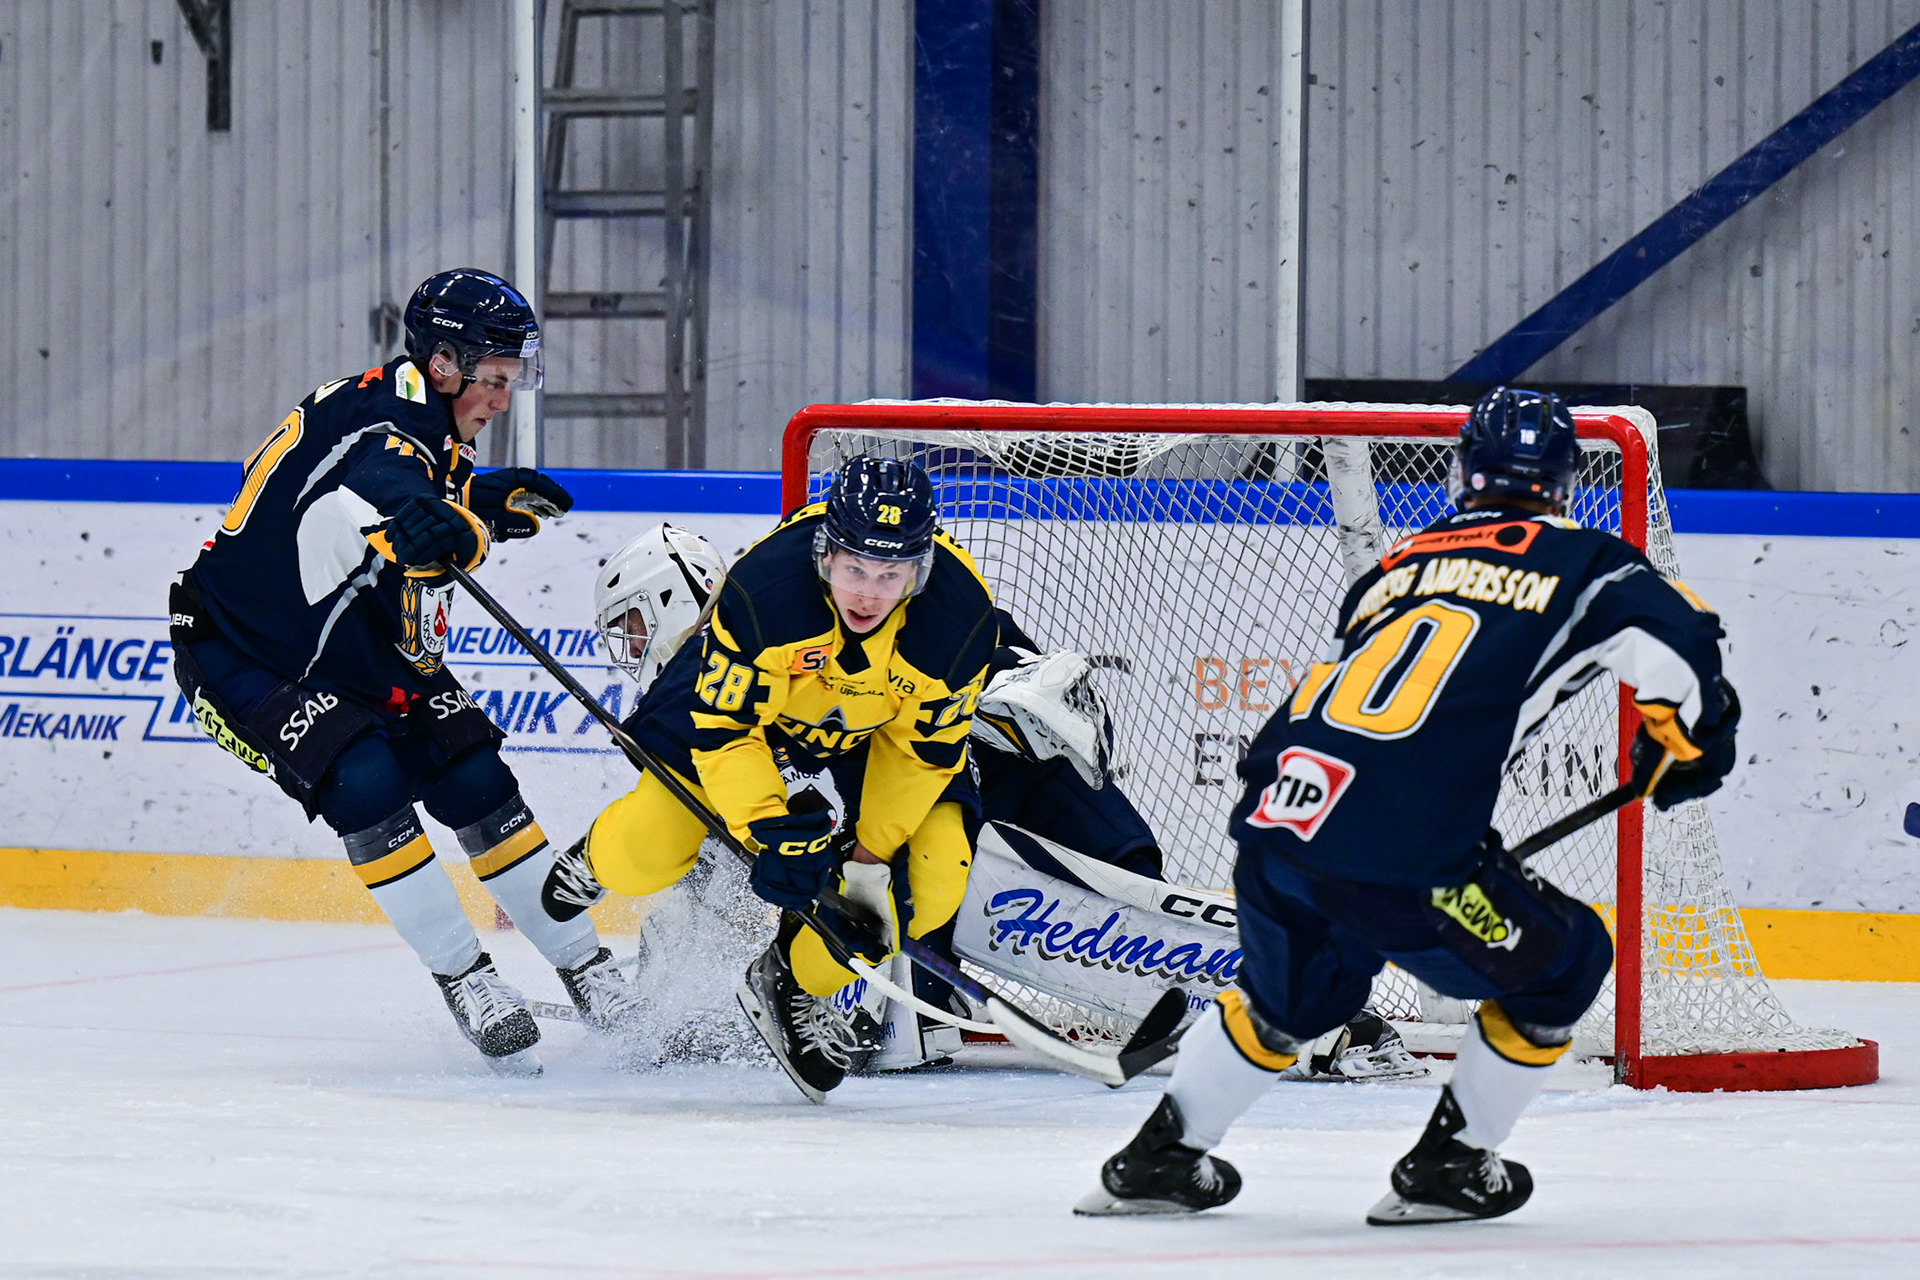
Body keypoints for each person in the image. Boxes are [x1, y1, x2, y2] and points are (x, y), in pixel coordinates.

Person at [1076, 387, 1741, 1225]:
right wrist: (1694, 739)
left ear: (1464, 473)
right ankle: (1449, 1168)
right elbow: (1685, 639)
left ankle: (1156, 1161)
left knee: (1292, 1004)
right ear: (1565, 481)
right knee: (1566, 965)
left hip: (1279, 828)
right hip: (1406, 860)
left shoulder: (1398, 567)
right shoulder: (1587, 561)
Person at [580, 525, 1419, 1082]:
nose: (630, 648)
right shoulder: (748, 655)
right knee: (931, 902)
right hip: (928, 848)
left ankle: (1312, 1005)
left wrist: (1019, 694)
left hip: (973, 800)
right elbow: (706, 819)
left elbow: (999, 698)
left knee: (1116, 875)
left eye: (632, 624)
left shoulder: (874, 623)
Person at [168, 268, 641, 1076]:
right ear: (446, 364)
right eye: (495, 380)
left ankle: (588, 968)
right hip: (246, 651)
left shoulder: (416, 409)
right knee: (364, 781)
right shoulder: (390, 427)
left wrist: (472, 499)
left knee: (476, 779)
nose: (503, 399)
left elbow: (407, 487)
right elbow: (384, 487)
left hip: (355, 638)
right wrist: (461, 527)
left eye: (513, 380)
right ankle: (467, 979)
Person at [543, 457, 999, 1102]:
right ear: (825, 554)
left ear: (919, 571)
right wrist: (768, 831)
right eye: (855, 570)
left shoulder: (959, 621)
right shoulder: (767, 589)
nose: (869, 595)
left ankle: (792, 981)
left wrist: (868, 863)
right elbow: (728, 732)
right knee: (648, 848)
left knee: (932, 877)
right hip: (769, 715)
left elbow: (919, 757)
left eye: (890, 575)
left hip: (880, 734)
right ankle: (599, 855)